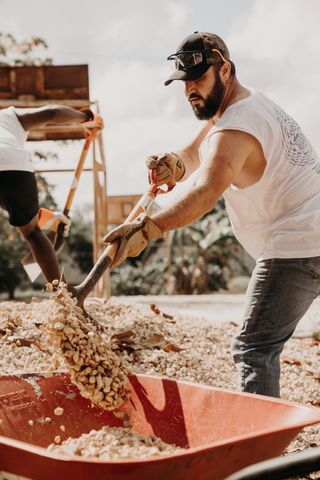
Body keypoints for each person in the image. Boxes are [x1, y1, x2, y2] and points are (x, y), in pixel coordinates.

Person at [103, 31, 320, 399]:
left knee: (254, 348)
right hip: (309, 234)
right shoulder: (243, 106)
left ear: (225, 69)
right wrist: (174, 164)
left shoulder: (235, 127)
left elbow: (205, 194)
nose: (190, 89)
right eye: (184, 81)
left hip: (298, 244)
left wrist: (148, 228)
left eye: (198, 78)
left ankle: (260, 450)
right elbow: (194, 154)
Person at [0, 104, 95, 284]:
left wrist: (41, 217)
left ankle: (43, 220)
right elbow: (54, 113)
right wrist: (87, 117)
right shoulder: (7, 116)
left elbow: (7, 202)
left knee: (32, 227)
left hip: (8, 165)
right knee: (33, 233)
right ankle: (64, 297)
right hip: (11, 163)